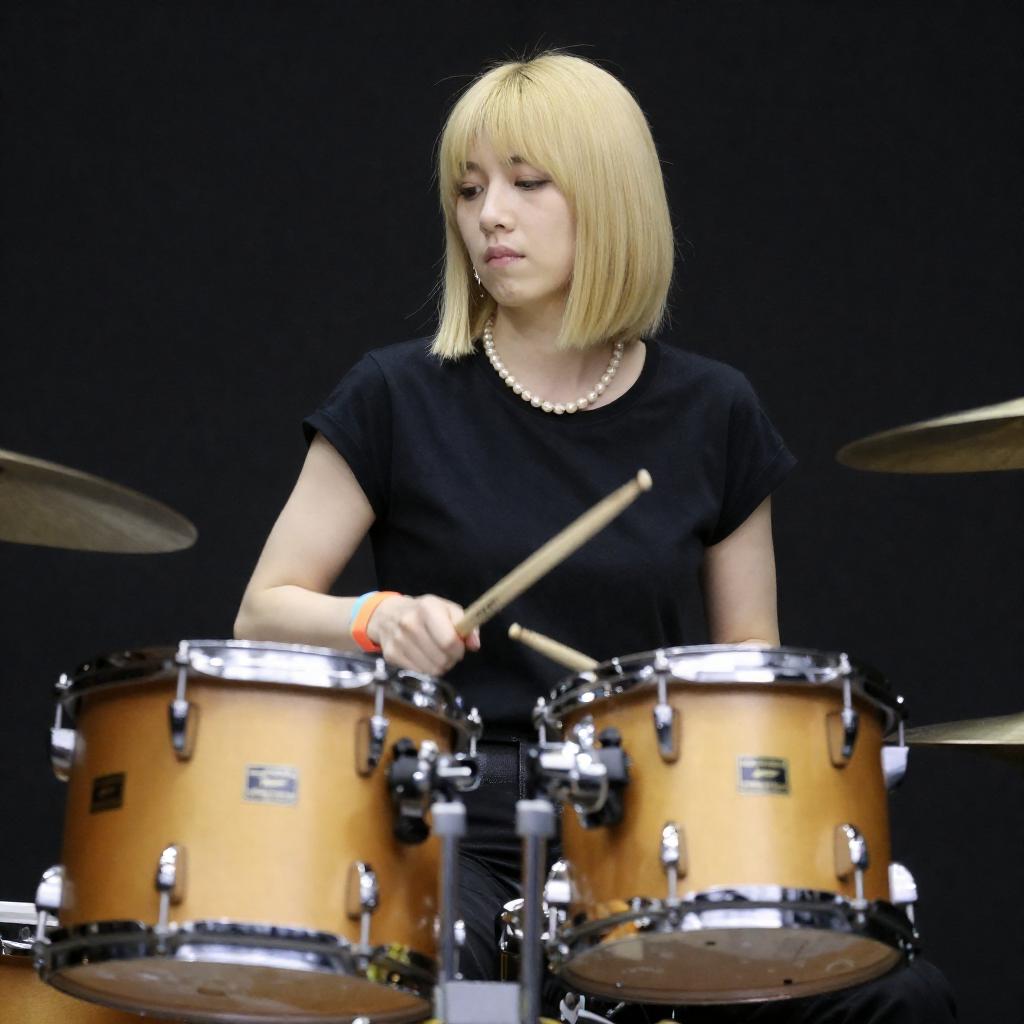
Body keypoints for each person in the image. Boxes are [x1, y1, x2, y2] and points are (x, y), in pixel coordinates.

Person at [235, 51, 954, 1023]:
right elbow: (261, 613)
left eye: (527, 183)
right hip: (448, 821)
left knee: (898, 997)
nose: (490, 215)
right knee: (433, 978)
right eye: (469, 189)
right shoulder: (393, 395)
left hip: (654, 827)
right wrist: (378, 618)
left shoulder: (715, 411)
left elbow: (751, 666)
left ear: (610, 198)